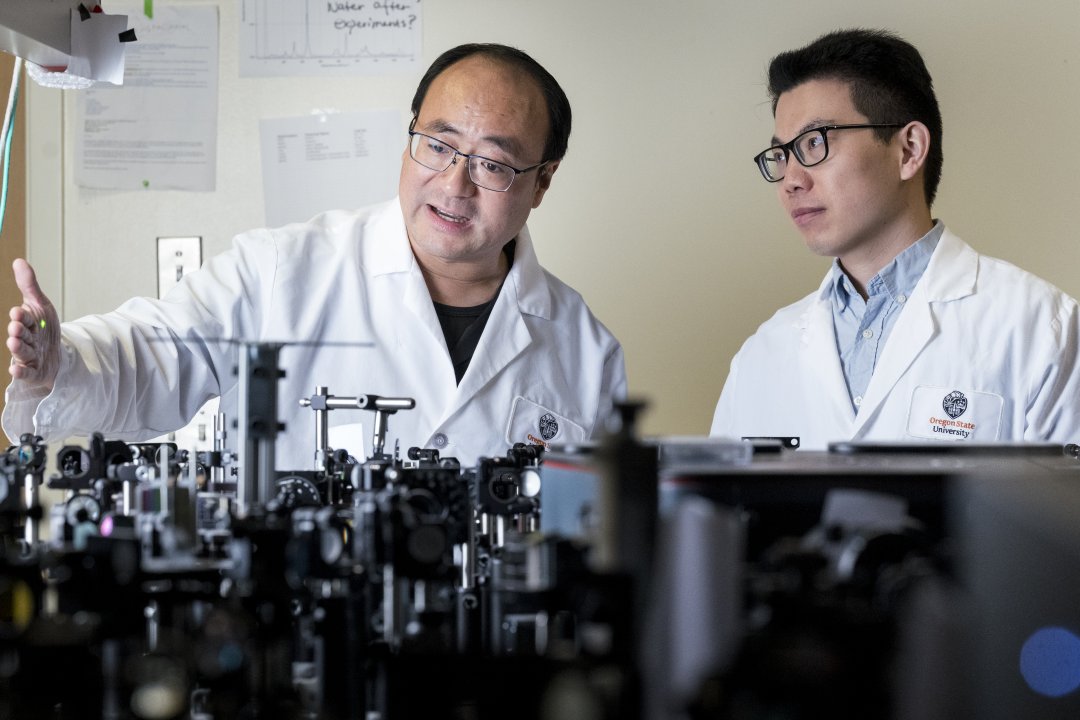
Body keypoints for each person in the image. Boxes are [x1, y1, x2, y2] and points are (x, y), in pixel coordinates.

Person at [5, 43, 627, 469]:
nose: (454, 184)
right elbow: (152, 355)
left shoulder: (585, 351)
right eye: (438, 145)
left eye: (493, 162)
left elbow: (596, 534)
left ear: (542, 181)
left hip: (488, 654)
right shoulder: (284, 271)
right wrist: (59, 362)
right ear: (409, 136)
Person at [711, 29, 1080, 449]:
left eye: (814, 143)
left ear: (908, 150)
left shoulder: (1040, 328)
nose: (791, 181)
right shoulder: (761, 355)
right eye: (782, 155)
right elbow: (713, 511)